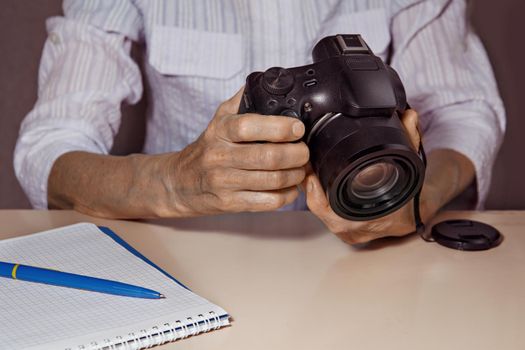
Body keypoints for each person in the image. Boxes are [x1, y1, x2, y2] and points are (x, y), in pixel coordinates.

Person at [14, 0, 505, 244]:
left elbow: (462, 112)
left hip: (363, 267)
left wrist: (416, 198)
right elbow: (51, 151)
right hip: (185, 254)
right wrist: (176, 182)